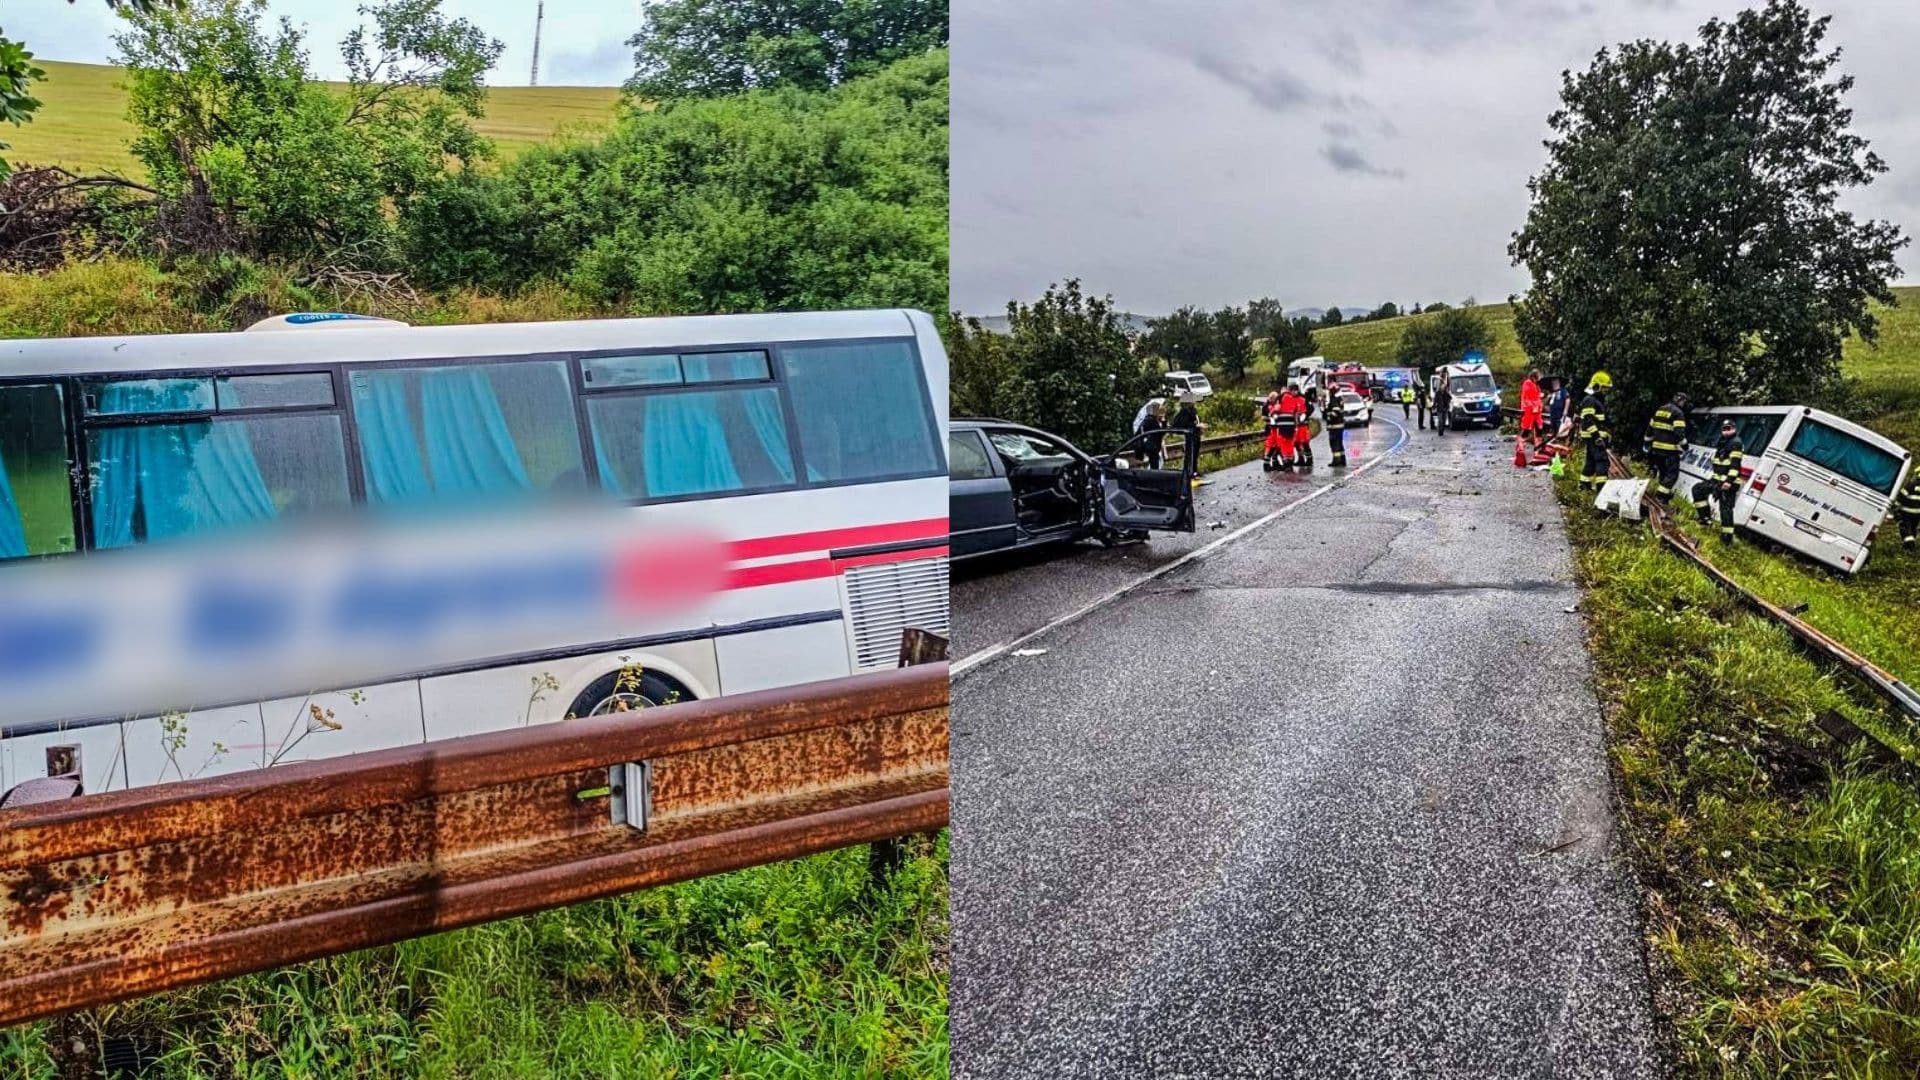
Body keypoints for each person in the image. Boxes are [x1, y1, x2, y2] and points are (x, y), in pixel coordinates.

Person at [1692, 417, 1744, 543]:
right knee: (1698, 489)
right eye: (1724, 429)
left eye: (1728, 429)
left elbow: (1735, 465)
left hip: (1728, 483)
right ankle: (1705, 519)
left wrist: (1728, 481)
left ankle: (1727, 537)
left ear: (1734, 429)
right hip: (1717, 480)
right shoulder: (1723, 441)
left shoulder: (1736, 443)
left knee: (1725, 509)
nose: (1725, 431)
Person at [1642, 392, 1690, 504]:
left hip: (1656, 450)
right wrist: (1685, 446)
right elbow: (1679, 433)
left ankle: (1665, 499)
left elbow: (1650, 428)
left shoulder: (1660, 410)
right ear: (1681, 401)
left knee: (1663, 474)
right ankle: (1659, 497)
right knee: (1672, 476)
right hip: (1670, 451)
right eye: (1684, 402)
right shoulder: (1678, 413)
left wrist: (1647, 443)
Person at [1578, 371, 1612, 490]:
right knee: (1602, 461)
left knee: (1591, 461)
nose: (1605, 391)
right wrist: (1597, 436)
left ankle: (1584, 484)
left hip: (1594, 437)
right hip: (1593, 437)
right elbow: (1588, 420)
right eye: (1604, 388)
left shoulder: (1596, 401)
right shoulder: (1590, 400)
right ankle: (1602, 488)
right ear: (1596, 386)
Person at [1262, 390, 1290, 472]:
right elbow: (1264, 417)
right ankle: (1268, 464)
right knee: (1272, 447)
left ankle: (1277, 463)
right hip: (1271, 429)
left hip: (1276, 429)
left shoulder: (1277, 405)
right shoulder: (1267, 406)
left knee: (1277, 447)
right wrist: (1271, 418)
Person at [1323, 386, 1349, 467]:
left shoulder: (1334, 399)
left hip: (1334, 426)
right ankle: (1342, 460)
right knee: (1339, 444)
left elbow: (1335, 412)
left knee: (1335, 444)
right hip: (1339, 426)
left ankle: (1336, 461)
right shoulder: (1339, 399)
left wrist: (1328, 416)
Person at [1140, 399, 1167, 469]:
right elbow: (1160, 432)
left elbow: (1162, 432)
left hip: (1155, 446)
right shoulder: (1150, 420)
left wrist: (1162, 422)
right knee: (1154, 464)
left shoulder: (1155, 420)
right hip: (1152, 446)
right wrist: (1163, 422)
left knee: (1155, 463)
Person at [1519, 369, 1544, 447]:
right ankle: (1520, 444)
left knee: (1539, 426)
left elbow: (1537, 395)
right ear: (1534, 376)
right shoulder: (1528, 383)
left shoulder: (1536, 384)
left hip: (1537, 409)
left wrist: (1540, 397)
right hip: (1530, 409)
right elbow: (1526, 397)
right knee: (1527, 427)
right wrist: (1532, 405)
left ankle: (1538, 444)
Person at [1293, 385, 1315, 467]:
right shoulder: (1291, 399)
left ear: (1297, 390)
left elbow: (1311, 408)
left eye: (1294, 391)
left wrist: (1305, 415)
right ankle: (1301, 458)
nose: (1292, 392)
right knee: (1296, 443)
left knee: (1305, 442)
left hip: (1303, 425)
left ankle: (1309, 459)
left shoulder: (1303, 398)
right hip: (1295, 425)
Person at [1899, 471, 1920, 547]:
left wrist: (1895, 508)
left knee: (1905, 527)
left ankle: (1909, 545)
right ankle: (1910, 542)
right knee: (1913, 528)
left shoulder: (1911, 485)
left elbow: (1901, 496)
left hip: (1906, 512)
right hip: (1917, 514)